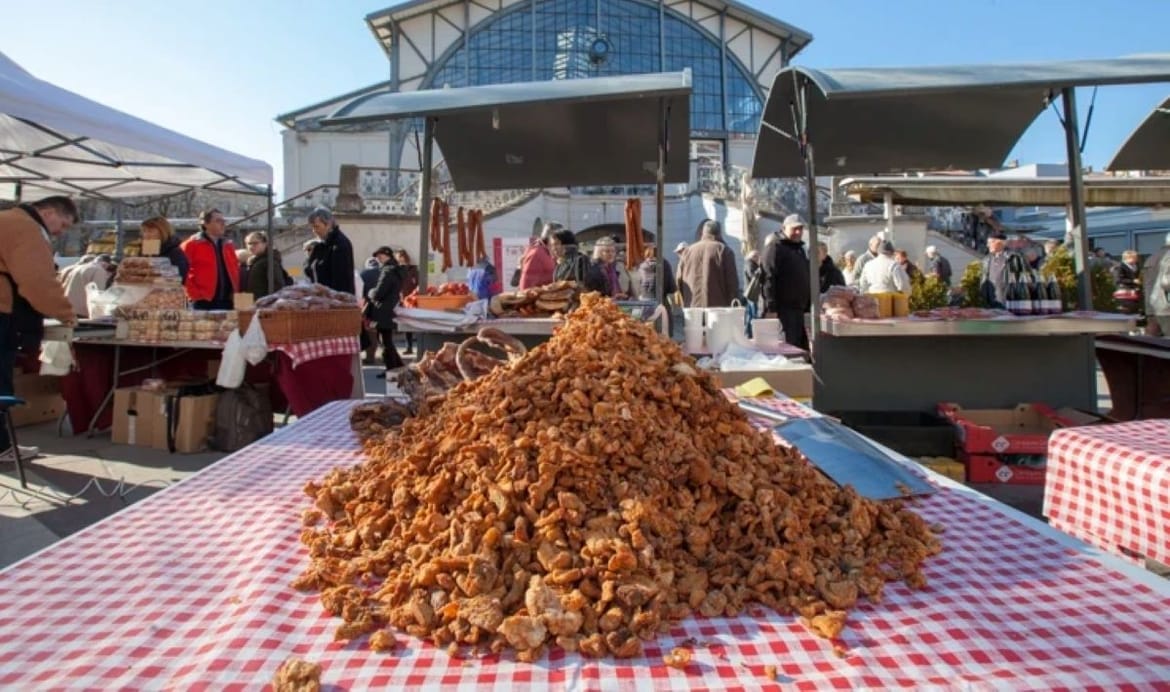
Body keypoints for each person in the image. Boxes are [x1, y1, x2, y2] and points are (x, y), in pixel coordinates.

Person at [1, 196, 78, 461]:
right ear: (47, 213)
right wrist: (66, 314)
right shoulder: (26, 228)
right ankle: (1, 447)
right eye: (63, 224)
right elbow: (38, 281)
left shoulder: (6, 219)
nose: (60, 232)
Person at [762, 214, 811, 350]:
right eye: (794, 229)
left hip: (798, 310)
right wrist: (771, 308)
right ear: (784, 228)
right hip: (783, 311)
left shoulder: (799, 249)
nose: (798, 232)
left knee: (799, 348)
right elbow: (768, 278)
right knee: (787, 349)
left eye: (800, 229)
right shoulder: (775, 247)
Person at [180, 208, 239, 310]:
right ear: (206, 224)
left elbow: (235, 269)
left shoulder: (228, 245)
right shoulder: (191, 244)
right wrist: (194, 294)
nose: (223, 224)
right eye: (218, 221)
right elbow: (181, 272)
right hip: (202, 302)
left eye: (223, 221)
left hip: (227, 301)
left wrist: (235, 292)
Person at [676, 219, 739, 308]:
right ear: (719, 233)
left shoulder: (687, 252)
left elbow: (679, 281)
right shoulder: (724, 251)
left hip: (693, 307)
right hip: (718, 308)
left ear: (702, 233)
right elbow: (732, 283)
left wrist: (686, 301)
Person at [364, 246, 405, 375]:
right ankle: (398, 366)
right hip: (389, 308)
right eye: (377, 256)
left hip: (382, 310)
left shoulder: (387, 270)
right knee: (386, 340)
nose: (378, 258)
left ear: (388, 255)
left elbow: (379, 292)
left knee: (385, 341)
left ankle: (391, 369)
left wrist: (371, 293)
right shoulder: (395, 269)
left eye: (380, 255)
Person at [305, 207, 355, 295]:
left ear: (328, 225)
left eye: (317, 227)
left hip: (335, 299)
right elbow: (310, 271)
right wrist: (310, 256)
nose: (314, 231)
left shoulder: (340, 244)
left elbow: (341, 280)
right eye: (312, 227)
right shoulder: (321, 244)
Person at [139, 216, 189, 283]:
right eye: (144, 231)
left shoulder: (175, 252)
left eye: (150, 231)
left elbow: (181, 276)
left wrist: (157, 274)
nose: (146, 235)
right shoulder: (142, 251)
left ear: (162, 232)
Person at [244, 231, 291, 300]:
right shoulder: (254, 261)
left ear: (265, 243)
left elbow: (278, 285)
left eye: (255, 243)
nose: (251, 246)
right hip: (256, 302)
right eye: (249, 243)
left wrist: (271, 302)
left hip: (264, 303)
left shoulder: (269, 261)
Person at [978, 232, 1015, 308]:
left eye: (990, 243)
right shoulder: (986, 260)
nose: (987, 245)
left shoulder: (1012, 258)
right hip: (989, 303)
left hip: (1007, 302)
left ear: (999, 243)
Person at [1144, 233, 1170, 336]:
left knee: (1153, 340)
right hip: (1166, 306)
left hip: (1153, 304)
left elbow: (1147, 284)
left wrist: (1149, 309)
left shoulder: (1152, 258)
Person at [519, 222, 559, 289]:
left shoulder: (548, 252)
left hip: (548, 293)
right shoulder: (536, 254)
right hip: (537, 295)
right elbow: (526, 285)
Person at [394, 249, 420, 354]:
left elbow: (417, 283)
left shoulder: (412, 270)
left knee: (415, 323)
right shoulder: (397, 270)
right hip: (402, 299)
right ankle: (409, 347)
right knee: (406, 324)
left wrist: (414, 295)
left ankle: (414, 346)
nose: (398, 259)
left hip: (412, 299)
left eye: (399, 257)